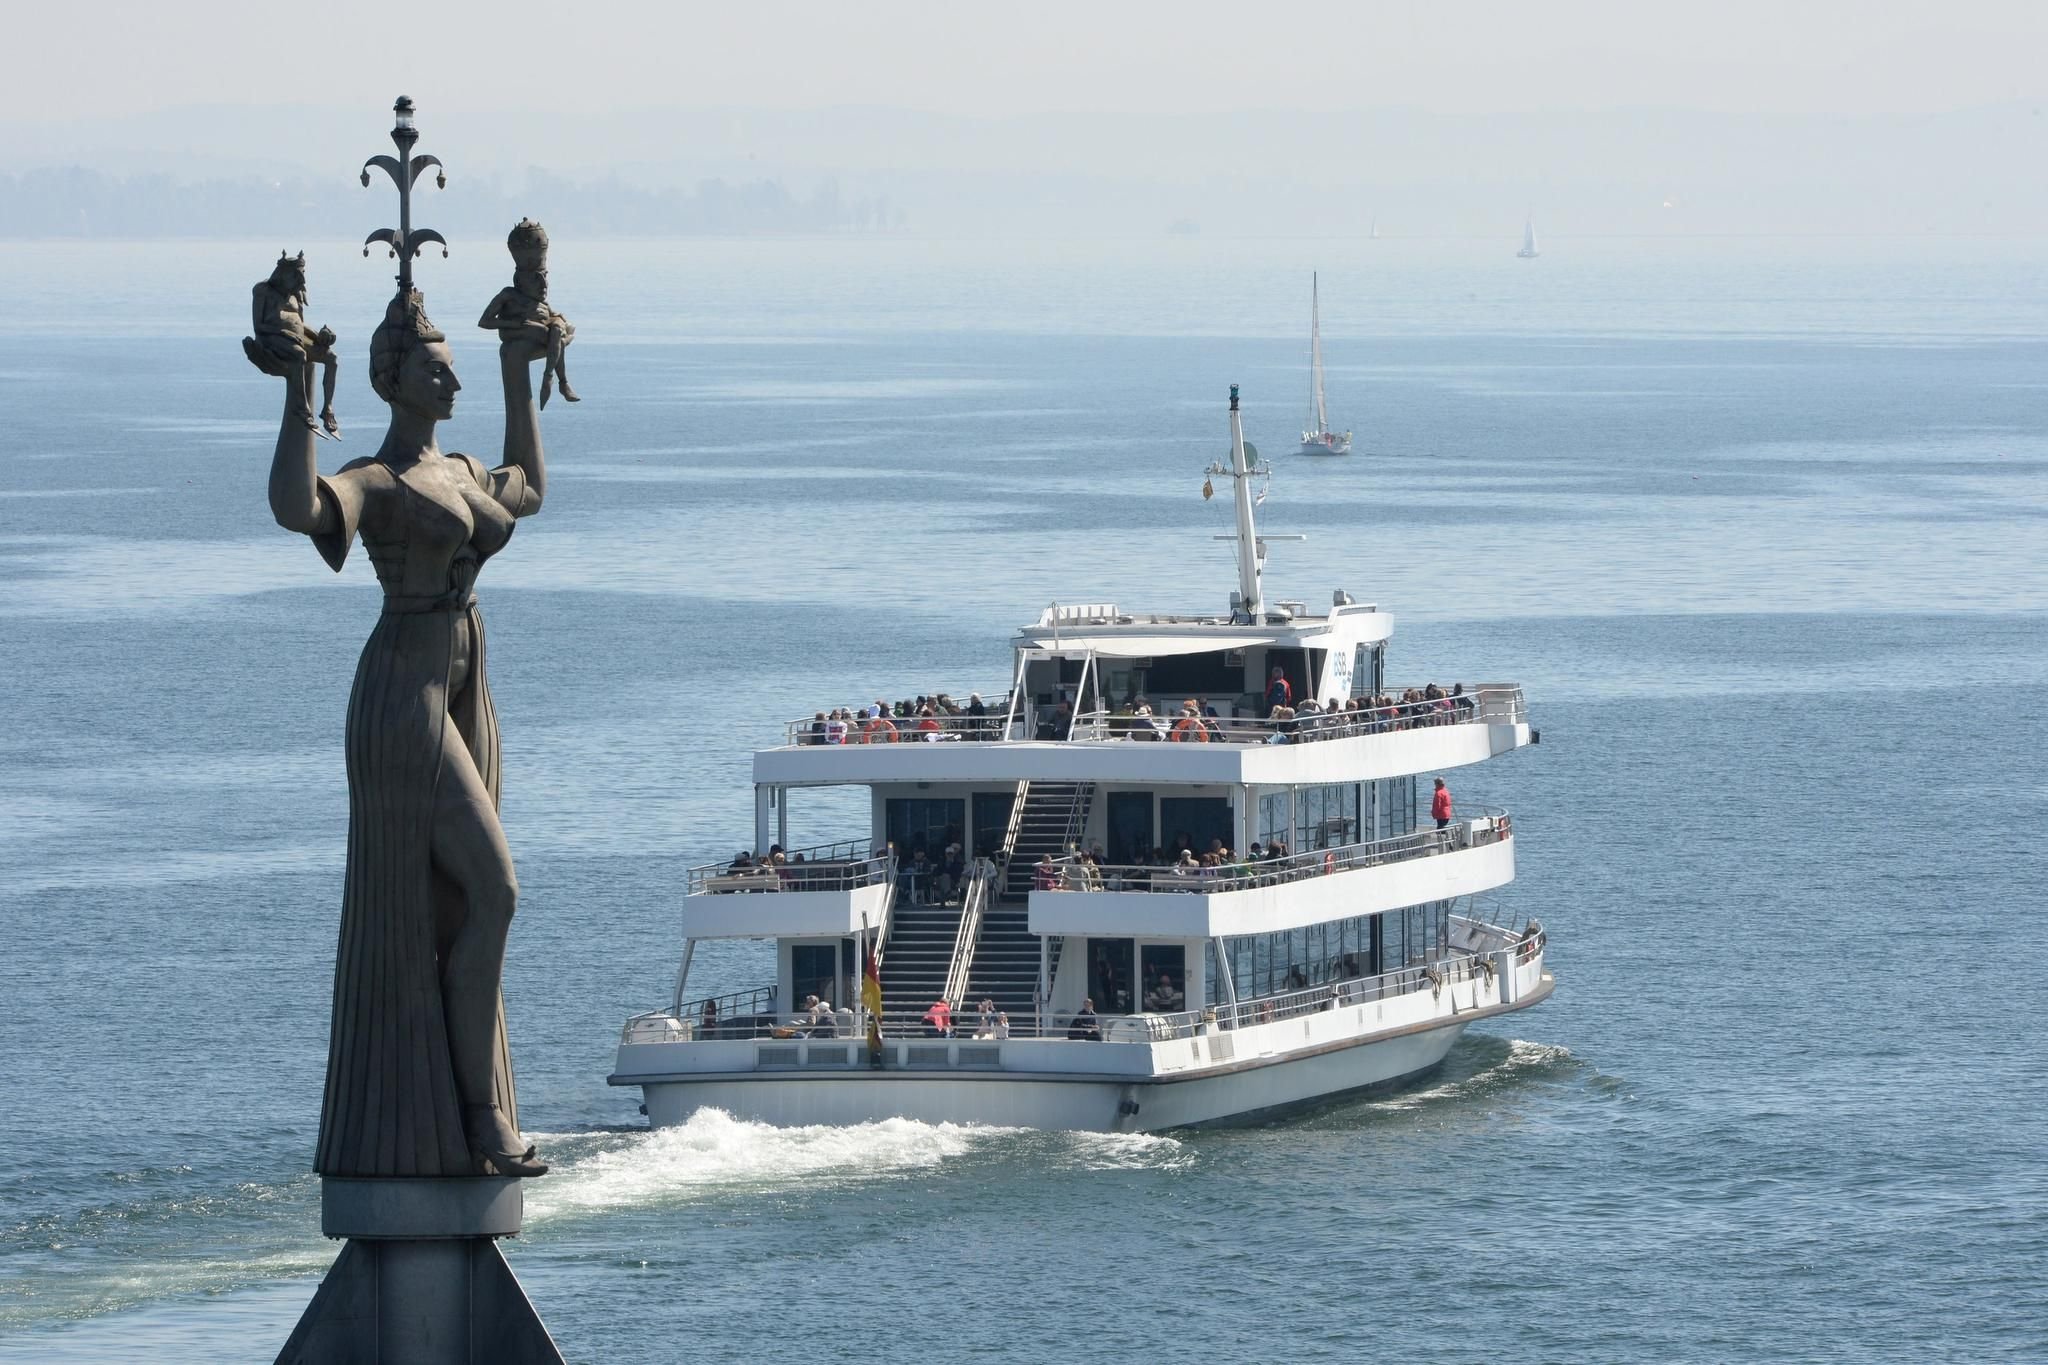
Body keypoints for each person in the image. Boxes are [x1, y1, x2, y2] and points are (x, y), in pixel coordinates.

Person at [265, 282, 551, 1179]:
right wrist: (297, 389)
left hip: (467, 686)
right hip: (405, 692)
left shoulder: (463, 470)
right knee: (495, 891)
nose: (450, 383)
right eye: (440, 369)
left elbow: (530, 487)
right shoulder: (377, 483)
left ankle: (469, 1106)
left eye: (455, 369)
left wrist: (514, 362)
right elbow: (295, 507)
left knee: (465, 902)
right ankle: (472, 1111)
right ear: (397, 383)